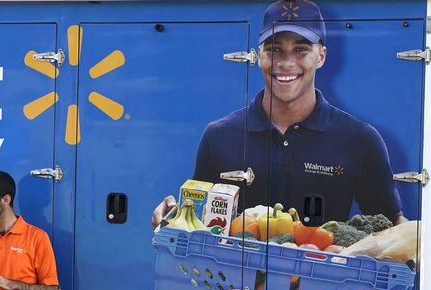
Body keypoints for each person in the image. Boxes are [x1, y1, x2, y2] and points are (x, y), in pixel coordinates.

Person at [152, 0, 406, 229]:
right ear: (258, 55)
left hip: (327, 280)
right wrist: (171, 220)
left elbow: (390, 225)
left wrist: (413, 241)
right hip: (235, 281)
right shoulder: (219, 135)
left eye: (301, 49)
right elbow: (198, 220)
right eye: (274, 49)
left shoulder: (360, 139)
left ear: (321, 56)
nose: (286, 62)